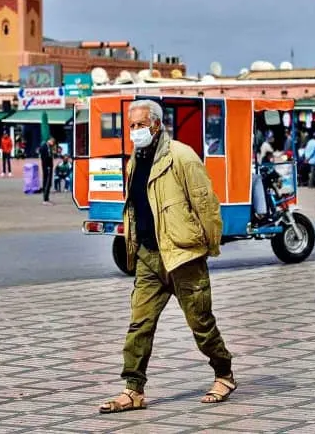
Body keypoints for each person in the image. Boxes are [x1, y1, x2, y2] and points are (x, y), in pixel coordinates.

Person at [99, 99, 234, 414]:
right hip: (149, 256)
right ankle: (133, 390)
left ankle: (224, 374)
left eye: (140, 125)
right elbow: (134, 207)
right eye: (131, 126)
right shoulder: (135, 160)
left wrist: (209, 246)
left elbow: (206, 204)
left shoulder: (182, 157)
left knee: (200, 323)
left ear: (156, 124)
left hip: (183, 256)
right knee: (139, 325)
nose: (134, 131)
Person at [39, 136, 56, 205]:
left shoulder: (49, 147)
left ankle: (47, 198)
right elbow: (44, 158)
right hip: (47, 167)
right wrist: (47, 166)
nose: (53, 144)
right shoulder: (44, 147)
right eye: (52, 142)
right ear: (49, 140)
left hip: (49, 166)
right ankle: (45, 200)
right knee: (47, 183)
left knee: (48, 183)